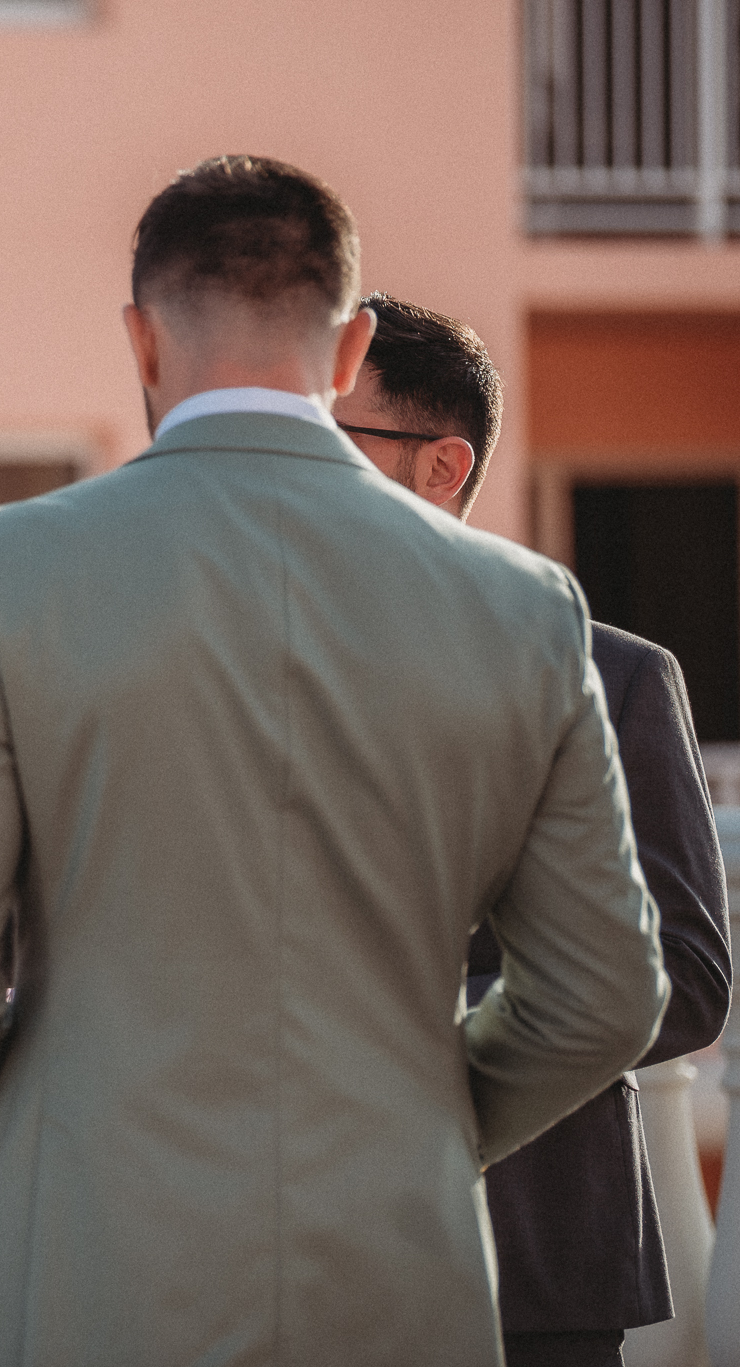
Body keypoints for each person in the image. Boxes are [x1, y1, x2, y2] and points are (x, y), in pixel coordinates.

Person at [0, 156, 669, 1364]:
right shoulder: (521, 607)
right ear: (347, 350)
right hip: (399, 1262)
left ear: (141, 342)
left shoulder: (7, 571)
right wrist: (420, 1131)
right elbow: (607, 991)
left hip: (90, 1247)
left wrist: (13, 1162)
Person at [335, 293, 731, 1367]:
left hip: (528, 1258)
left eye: (328, 442)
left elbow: (684, 978)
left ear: (440, 466)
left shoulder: (614, 677)